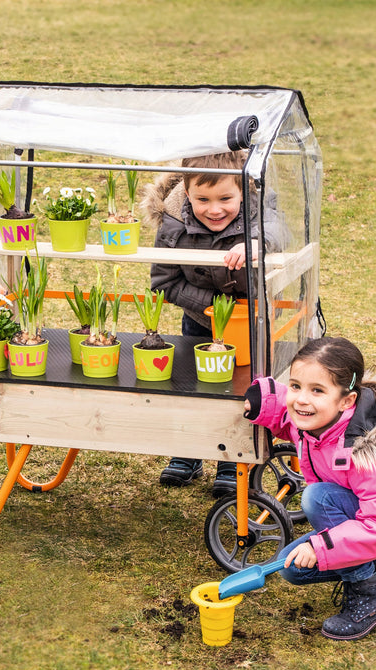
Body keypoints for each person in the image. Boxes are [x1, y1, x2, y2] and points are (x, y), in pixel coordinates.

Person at [242, 336, 376, 640]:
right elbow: (290, 420)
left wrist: (320, 546)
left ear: (347, 401)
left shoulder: (374, 451)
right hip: (366, 515)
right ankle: (371, 565)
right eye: (296, 385)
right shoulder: (319, 418)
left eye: (316, 390)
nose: (300, 398)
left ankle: (374, 592)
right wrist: (266, 402)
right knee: (289, 567)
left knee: (318, 499)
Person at [144, 150, 269, 496]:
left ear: (243, 191)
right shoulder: (172, 224)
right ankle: (188, 453)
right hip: (200, 323)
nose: (215, 209)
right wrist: (216, 308)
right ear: (186, 193)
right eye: (203, 199)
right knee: (193, 388)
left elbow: (281, 233)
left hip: (247, 326)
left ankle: (230, 461)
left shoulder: (261, 217)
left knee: (239, 390)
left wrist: (258, 243)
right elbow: (163, 283)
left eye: (225, 199)